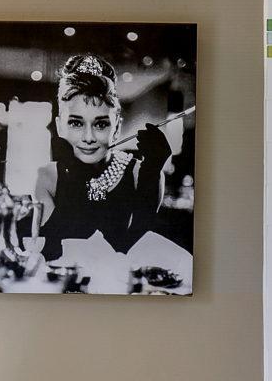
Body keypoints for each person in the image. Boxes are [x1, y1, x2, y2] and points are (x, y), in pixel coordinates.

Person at [33, 53, 182, 261]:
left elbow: (139, 252)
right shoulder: (47, 177)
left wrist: (151, 173)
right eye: (76, 123)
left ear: (117, 127)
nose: (88, 137)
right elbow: (55, 248)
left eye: (101, 124)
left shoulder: (141, 173)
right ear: (59, 126)